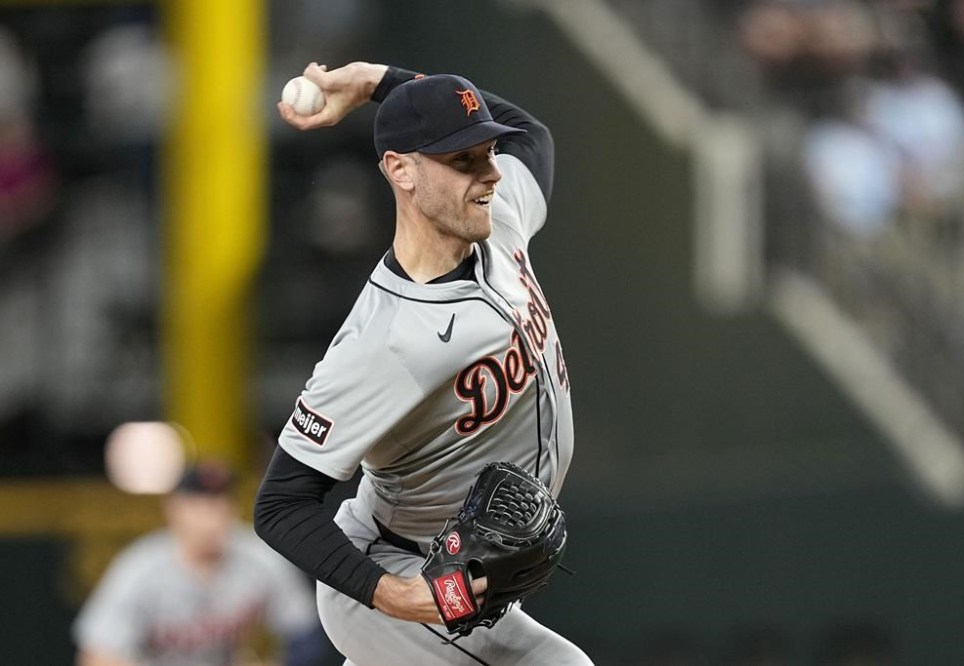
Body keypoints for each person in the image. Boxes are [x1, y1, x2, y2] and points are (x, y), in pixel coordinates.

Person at [253, 61, 591, 665]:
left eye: (486, 154)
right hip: (397, 568)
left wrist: (372, 80)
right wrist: (397, 597)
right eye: (463, 161)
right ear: (400, 170)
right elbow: (280, 507)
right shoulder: (384, 342)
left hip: (455, 566)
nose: (489, 174)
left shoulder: (498, 221)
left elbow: (528, 133)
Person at [73, 462, 328, 666]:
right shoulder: (140, 567)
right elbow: (96, 654)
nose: (212, 516)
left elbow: (306, 635)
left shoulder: (261, 557)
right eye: (200, 505)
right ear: (173, 509)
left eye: (220, 502)